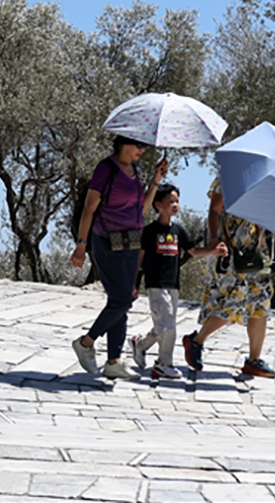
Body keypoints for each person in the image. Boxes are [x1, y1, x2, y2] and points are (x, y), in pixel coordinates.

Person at [70, 135, 166, 379]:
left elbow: (141, 211)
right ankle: (86, 343)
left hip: (131, 243)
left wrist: (156, 180)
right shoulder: (106, 169)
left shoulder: (134, 170)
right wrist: (81, 245)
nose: (142, 150)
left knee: (121, 302)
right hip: (106, 242)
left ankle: (113, 362)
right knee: (123, 299)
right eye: (138, 145)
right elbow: (89, 208)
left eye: (145, 146)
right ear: (123, 143)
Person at [181, 176, 275, 378]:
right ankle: (197, 341)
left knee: (260, 304)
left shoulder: (262, 184)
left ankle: (254, 360)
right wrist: (215, 241)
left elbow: (261, 219)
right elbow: (214, 210)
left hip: (254, 254)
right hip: (229, 252)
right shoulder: (228, 179)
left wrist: (263, 248)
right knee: (234, 301)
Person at [129, 183, 223, 379]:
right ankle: (164, 363)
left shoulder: (179, 231)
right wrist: (133, 282)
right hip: (156, 284)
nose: (175, 205)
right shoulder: (149, 231)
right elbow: (139, 257)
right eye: (170, 201)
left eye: (177, 201)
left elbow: (193, 251)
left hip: (173, 286)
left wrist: (213, 251)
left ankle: (140, 345)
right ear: (158, 205)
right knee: (168, 326)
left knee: (164, 324)